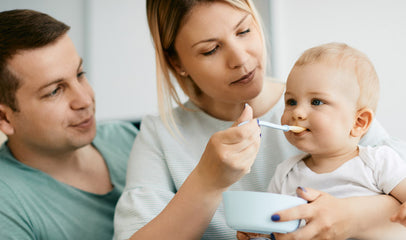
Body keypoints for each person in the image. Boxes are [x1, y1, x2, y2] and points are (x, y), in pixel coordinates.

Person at [114, 1, 406, 239]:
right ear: (177, 62)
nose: (240, 59)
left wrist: (347, 216)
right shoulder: (160, 134)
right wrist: (206, 181)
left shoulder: (338, 104)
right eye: (211, 49)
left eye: (243, 31)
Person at [238, 43, 406, 239]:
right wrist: (258, 234)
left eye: (316, 102)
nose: (297, 113)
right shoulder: (285, 174)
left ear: (359, 122)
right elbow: (274, 228)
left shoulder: (379, 162)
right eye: (291, 102)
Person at [0, 9, 137, 239]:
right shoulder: (7, 207)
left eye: (80, 74)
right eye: (55, 91)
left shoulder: (124, 137)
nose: (84, 100)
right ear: (5, 119)